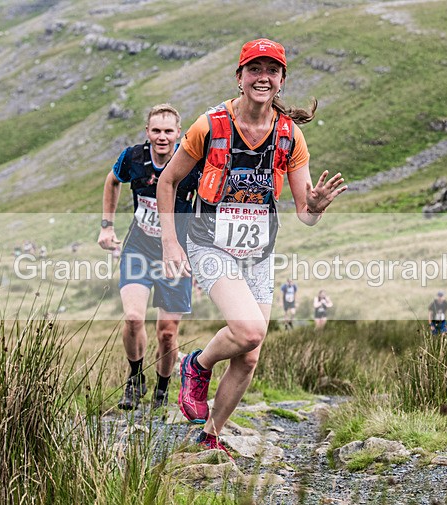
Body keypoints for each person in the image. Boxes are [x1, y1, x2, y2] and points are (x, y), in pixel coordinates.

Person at [156, 38, 346, 455]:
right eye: (254, 69)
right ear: (239, 77)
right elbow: (167, 180)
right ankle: (197, 365)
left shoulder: (289, 136)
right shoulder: (209, 126)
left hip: (258, 252)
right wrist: (170, 242)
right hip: (210, 244)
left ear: (282, 80)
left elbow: (305, 213)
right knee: (249, 330)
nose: (263, 77)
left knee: (250, 354)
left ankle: (211, 436)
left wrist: (315, 207)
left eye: (272, 70)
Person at [97, 103, 201, 411]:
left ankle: (162, 388)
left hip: (176, 254)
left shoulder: (192, 162)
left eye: (168, 131)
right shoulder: (133, 158)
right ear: (147, 132)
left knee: (167, 334)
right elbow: (112, 180)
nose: (162, 137)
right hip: (139, 248)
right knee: (133, 318)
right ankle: (134, 379)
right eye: (156, 130)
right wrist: (106, 225)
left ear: (178, 133)